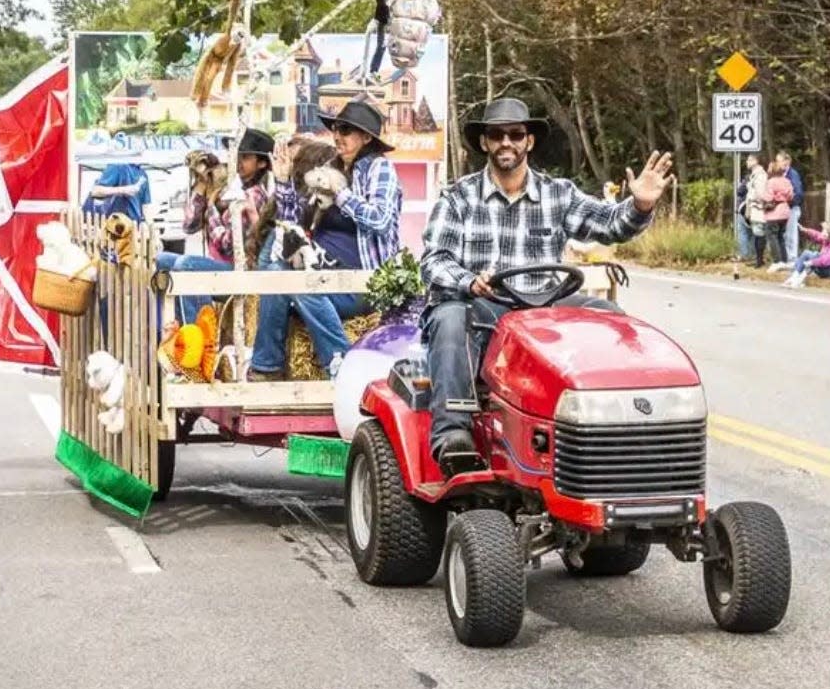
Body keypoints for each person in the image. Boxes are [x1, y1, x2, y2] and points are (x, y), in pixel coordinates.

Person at [419, 97, 674, 477]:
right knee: (449, 316)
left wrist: (638, 206)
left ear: (529, 141)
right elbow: (434, 260)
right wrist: (469, 281)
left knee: (611, 318)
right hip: (484, 306)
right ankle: (452, 434)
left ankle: (619, 429)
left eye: (515, 134)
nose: (507, 142)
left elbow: (609, 224)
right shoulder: (458, 198)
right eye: (497, 135)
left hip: (542, 311)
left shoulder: (559, 194)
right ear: (485, 142)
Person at [247, 99, 401, 380]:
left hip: (362, 282)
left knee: (302, 282)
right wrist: (283, 182)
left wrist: (340, 194)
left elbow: (380, 220)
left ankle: (344, 370)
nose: (337, 136)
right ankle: (266, 367)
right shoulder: (330, 167)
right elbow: (293, 222)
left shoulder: (379, 169)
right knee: (275, 273)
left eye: (346, 130)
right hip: (320, 270)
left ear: (366, 138)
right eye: (335, 129)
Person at [156, 127, 275, 324]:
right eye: (236, 156)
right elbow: (189, 226)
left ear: (261, 163)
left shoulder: (254, 195)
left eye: (245, 157)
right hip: (222, 265)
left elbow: (227, 244)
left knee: (187, 265)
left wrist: (211, 208)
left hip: (241, 270)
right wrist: (202, 186)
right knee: (162, 260)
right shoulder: (231, 188)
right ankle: (179, 329)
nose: (238, 162)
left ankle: (201, 335)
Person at [82, 162, 151, 222]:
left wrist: (151, 228)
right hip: (114, 225)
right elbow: (96, 191)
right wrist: (124, 190)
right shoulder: (117, 165)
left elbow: (146, 207)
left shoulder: (143, 174)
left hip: (133, 227)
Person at [763, 161, 793, 269]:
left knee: (772, 236)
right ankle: (784, 260)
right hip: (785, 211)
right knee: (781, 237)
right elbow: (790, 196)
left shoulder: (771, 182)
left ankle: (777, 261)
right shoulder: (787, 181)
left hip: (774, 213)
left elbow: (768, 197)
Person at [783, 222, 830, 288]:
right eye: (822, 231)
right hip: (821, 268)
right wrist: (806, 230)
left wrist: (811, 262)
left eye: (824, 233)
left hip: (827, 271)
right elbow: (817, 234)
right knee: (808, 254)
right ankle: (794, 277)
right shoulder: (826, 240)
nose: (822, 234)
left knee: (815, 257)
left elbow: (825, 261)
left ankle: (798, 279)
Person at [776, 150, 804, 261]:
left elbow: (798, 193)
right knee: (785, 234)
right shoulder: (782, 174)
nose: (778, 163)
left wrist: (789, 204)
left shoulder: (792, 174)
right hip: (784, 209)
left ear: (787, 161)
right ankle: (786, 257)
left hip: (792, 208)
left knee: (791, 234)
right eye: (777, 161)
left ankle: (792, 258)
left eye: (780, 161)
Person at [743, 154, 768, 268]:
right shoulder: (754, 175)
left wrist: (756, 202)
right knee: (756, 233)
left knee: (759, 233)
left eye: (750, 159)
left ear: (756, 161)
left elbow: (760, 193)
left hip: (758, 207)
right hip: (753, 206)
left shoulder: (760, 175)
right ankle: (758, 258)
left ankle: (760, 260)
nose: (747, 162)